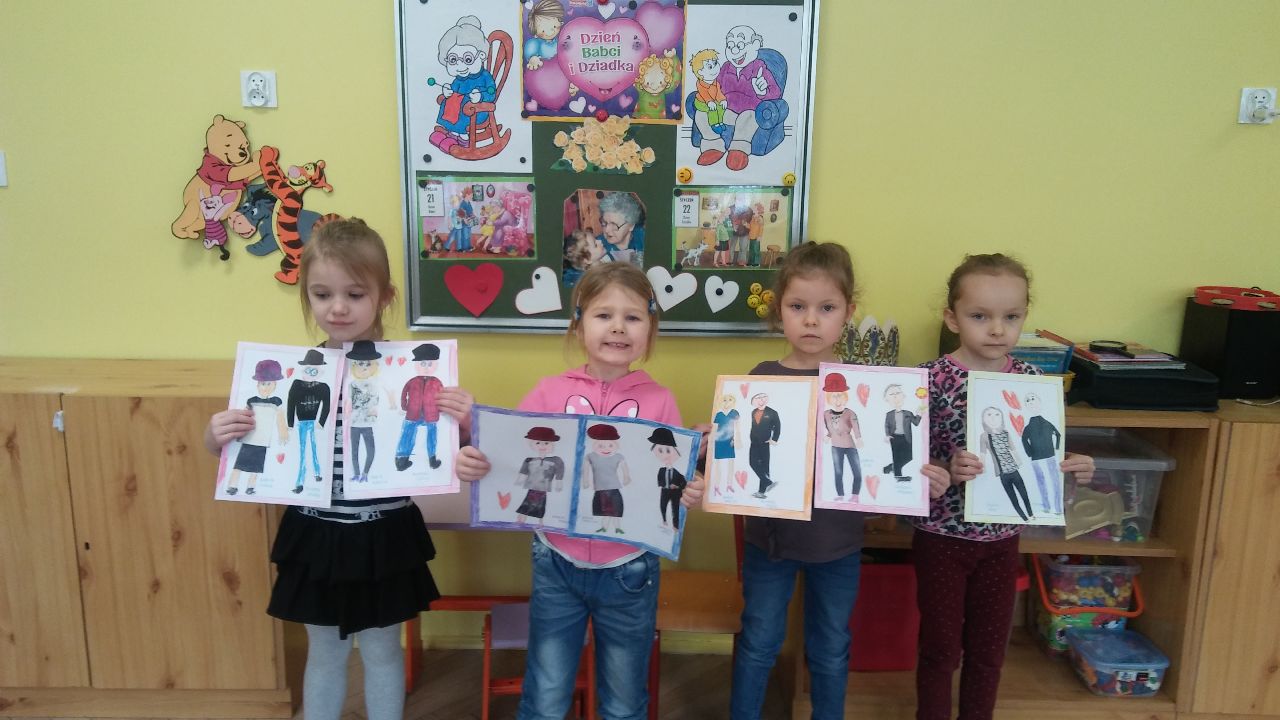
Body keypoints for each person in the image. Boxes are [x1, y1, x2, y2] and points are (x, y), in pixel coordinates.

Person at [203, 218, 475, 720]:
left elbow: (454, 455)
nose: (338, 307)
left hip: (384, 537)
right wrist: (216, 435)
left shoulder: (414, 372)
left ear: (384, 297)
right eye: (322, 294)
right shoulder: (289, 374)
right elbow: (239, 452)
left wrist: (461, 424)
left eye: (355, 293)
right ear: (307, 296)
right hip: (317, 535)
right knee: (326, 653)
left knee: (382, 652)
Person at [456, 262, 704, 720]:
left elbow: (669, 477)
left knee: (624, 702)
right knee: (546, 695)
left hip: (630, 569)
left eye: (633, 317)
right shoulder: (549, 391)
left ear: (650, 329)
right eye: (603, 315)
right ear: (579, 323)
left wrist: (689, 489)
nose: (618, 327)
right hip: (557, 562)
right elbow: (508, 455)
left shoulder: (660, 400)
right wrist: (474, 454)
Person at [730, 242, 950, 720]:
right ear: (779, 311)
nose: (811, 320)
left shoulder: (866, 387)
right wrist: (720, 440)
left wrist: (924, 477)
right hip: (771, 543)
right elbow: (743, 452)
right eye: (798, 307)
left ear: (848, 312)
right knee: (759, 641)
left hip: (838, 545)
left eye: (826, 308)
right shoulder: (761, 380)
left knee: (830, 647)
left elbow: (889, 452)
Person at [915, 253, 1095, 720]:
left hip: (1002, 540)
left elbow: (1044, 455)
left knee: (989, 650)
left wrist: (1072, 466)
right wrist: (945, 468)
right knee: (940, 649)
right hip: (941, 538)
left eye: (1011, 317)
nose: (997, 329)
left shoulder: (1033, 381)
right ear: (951, 318)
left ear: (1023, 316)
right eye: (980, 316)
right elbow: (908, 464)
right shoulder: (931, 380)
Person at [431, 16, 497, 153]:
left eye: (467, 59)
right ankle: (450, 132)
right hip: (460, 110)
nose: (460, 66)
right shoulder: (459, 79)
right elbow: (454, 89)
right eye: (453, 60)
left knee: (463, 107)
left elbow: (491, 93)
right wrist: (448, 91)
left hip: (478, 111)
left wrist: (480, 97)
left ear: (481, 56)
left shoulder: (485, 77)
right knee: (450, 101)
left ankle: (462, 138)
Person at [821, 371, 862, 501]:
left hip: (850, 445)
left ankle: (855, 495)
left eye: (840, 396)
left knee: (857, 472)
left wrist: (859, 438)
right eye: (834, 396)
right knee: (838, 472)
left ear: (845, 397)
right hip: (836, 447)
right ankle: (840, 495)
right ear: (829, 398)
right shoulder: (825, 414)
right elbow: (830, 428)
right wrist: (828, 435)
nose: (837, 399)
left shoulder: (850, 413)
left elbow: (855, 426)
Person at [1021, 391, 1063, 514]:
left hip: (1050, 456)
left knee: (1054, 481)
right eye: (1028, 401)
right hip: (1037, 458)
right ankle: (1046, 507)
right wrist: (1030, 453)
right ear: (1026, 406)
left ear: (1040, 403)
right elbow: (1024, 439)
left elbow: (1058, 435)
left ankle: (1057, 508)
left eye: (1033, 399)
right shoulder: (1028, 427)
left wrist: (1057, 448)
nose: (1031, 402)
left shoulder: (1047, 423)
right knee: (1042, 482)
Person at [882, 383, 923, 481]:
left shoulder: (908, 413)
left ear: (903, 396)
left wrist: (919, 414)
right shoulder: (889, 414)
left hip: (906, 438)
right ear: (887, 399)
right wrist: (887, 435)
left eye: (898, 393)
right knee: (896, 457)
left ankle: (891, 467)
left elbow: (916, 423)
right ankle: (898, 476)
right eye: (892, 394)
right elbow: (887, 425)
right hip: (895, 437)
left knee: (908, 457)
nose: (895, 396)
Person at [649, 426, 687, 529]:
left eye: (668, 451)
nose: (665, 456)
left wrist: (677, 486)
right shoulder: (661, 470)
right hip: (664, 490)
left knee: (675, 508)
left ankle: (675, 525)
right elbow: (659, 479)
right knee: (663, 506)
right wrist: (662, 485)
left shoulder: (678, 472)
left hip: (676, 493)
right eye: (660, 451)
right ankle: (664, 520)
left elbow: (684, 483)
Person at [596, 192, 645, 267]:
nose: (607, 230)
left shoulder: (642, 237)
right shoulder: (598, 246)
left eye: (614, 225)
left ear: (631, 225)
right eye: (604, 222)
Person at [711, 393, 741, 498]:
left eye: (730, 400)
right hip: (719, 441)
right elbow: (714, 429)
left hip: (730, 441)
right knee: (718, 465)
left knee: (730, 464)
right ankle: (716, 487)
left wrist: (736, 439)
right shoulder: (718, 415)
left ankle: (729, 485)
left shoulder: (735, 413)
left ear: (733, 402)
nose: (727, 402)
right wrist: (711, 440)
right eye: (724, 400)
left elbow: (737, 427)